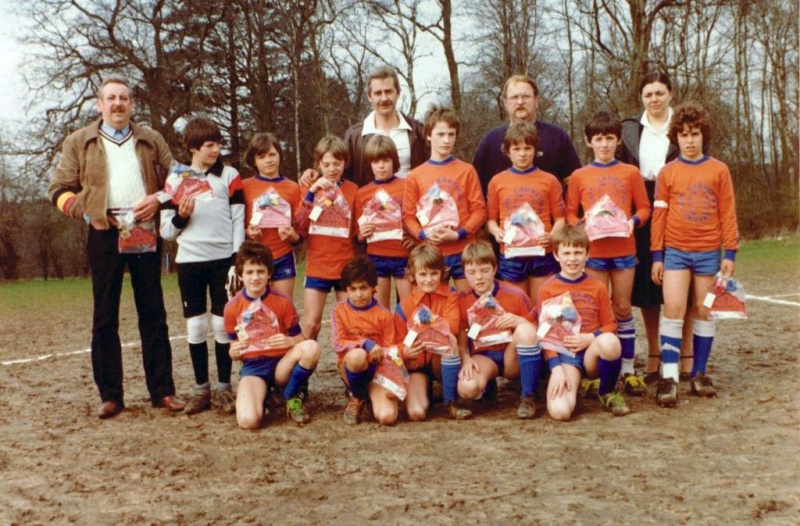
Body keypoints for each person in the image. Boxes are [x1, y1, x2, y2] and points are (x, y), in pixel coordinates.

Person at [49, 76, 185, 419]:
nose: (117, 104)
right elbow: (58, 189)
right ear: (99, 105)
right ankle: (111, 396)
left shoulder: (151, 139)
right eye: (110, 98)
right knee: (105, 315)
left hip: (144, 230)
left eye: (124, 98)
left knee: (153, 311)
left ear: (132, 105)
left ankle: (163, 391)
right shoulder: (78, 141)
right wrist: (87, 214)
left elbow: (179, 177)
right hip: (104, 232)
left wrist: (159, 199)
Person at [650, 102, 739, 408]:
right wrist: (657, 255)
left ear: (704, 136)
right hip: (675, 251)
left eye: (695, 134)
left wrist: (730, 251)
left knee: (703, 309)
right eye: (684, 135)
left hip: (709, 252)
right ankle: (669, 377)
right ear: (676, 138)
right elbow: (659, 217)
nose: (690, 140)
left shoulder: (719, 170)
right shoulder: (667, 172)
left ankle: (699, 374)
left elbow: (727, 212)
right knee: (674, 309)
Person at [160, 117, 245, 415]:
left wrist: (236, 259)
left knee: (222, 324)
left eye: (218, 144)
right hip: (190, 262)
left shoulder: (229, 175)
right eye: (209, 145)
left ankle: (223, 388)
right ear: (193, 147)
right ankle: (201, 390)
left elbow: (238, 220)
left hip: (223, 262)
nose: (216, 150)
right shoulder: (176, 178)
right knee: (196, 325)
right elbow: (166, 231)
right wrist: (181, 217)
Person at [565, 111, 651, 396]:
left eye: (610, 138)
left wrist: (633, 221)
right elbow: (570, 213)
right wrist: (582, 224)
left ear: (618, 140)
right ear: (589, 141)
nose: (604, 144)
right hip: (594, 253)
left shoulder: (630, 172)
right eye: (599, 139)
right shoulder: (579, 176)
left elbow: (644, 208)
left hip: (624, 250)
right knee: (595, 313)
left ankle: (627, 369)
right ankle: (598, 371)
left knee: (623, 308)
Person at [617, 71, 695, 380]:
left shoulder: (684, 127)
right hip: (642, 207)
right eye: (648, 94)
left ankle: (685, 354)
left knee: (682, 283)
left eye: (660, 93)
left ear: (670, 94)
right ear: (641, 97)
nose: (654, 99)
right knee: (648, 286)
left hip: (679, 203)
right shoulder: (629, 129)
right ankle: (653, 353)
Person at [538, 225, 631, 420]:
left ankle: (606, 391)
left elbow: (611, 325)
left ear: (587, 254)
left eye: (578, 252)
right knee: (561, 412)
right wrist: (556, 368)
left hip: (591, 353)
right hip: (566, 355)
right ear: (556, 255)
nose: (572, 259)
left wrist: (590, 337)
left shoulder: (598, 287)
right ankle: (572, 386)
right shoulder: (548, 288)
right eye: (566, 253)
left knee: (610, 342)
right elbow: (544, 334)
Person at [225, 241, 321, 428]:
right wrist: (233, 352)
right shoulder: (232, 308)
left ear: (269, 273)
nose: (255, 277)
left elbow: (301, 339)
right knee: (248, 421)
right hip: (254, 367)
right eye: (249, 272)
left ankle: (290, 395)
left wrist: (289, 341)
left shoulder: (282, 301)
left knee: (311, 348)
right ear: (240, 275)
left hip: (281, 365)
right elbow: (233, 349)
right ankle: (264, 396)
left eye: (260, 271)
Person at [402, 105, 487, 293]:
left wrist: (459, 234)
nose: (446, 140)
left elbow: (479, 211)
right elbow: (408, 217)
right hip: (432, 253)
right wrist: (424, 235)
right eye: (440, 134)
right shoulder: (415, 175)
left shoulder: (466, 170)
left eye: (451, 134)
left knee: (468, 302)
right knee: (434, 306)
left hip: (463, 250)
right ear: (428, 135)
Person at [299, 65, 428, 188]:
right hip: (369, 202)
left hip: (410, 201)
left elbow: (434, 167)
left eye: (388, 91)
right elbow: (338, 169)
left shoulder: (418, 131)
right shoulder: (355, 137)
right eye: (378, 93)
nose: (384, 98)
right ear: (370, 97)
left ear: (398, 93)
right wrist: (316, 174)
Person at [456, 241, 541, 419]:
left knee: (526, 331)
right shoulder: (462, 300)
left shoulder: (515, 294)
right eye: (472, 272)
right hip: (484, 356)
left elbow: (537, 331)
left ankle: (528, 395)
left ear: (494, 269)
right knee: (467, 388)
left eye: (484, 270)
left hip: (512, 355)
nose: (479, 277)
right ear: (464, 273)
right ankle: (487, 386)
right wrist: (465, 358)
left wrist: (519, 321)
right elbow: (462, 334)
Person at [485, 122, 565, 302]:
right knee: (517, 305)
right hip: (512, 254)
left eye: (527, 148)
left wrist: (552, 236)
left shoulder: (549, 180)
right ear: (507, 151)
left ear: (535, 150)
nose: (522, 153)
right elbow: (490, 220)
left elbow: (560, 219)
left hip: (542, 253)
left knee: (541, 304)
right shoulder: (497, 181)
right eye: (516, 148)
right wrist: (496, 232)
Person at [393, 244, 469, 420]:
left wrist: (425, 326)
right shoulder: (404, 306)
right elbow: (394, 346)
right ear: (412, 275)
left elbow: (452, 327)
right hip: (416, 365)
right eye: (423, 274)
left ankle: (451, 402)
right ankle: (425, 390)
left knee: (449, 339)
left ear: (442, 272)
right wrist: (405, 352)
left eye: (434, 273)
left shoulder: (451, 295)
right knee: (416, 413)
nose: (429, 279)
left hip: (440, 360)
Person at [295, 135, 359, 341]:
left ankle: (348, 361)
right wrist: (311, 192)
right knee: (311, 325)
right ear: (318, 164)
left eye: (337, 163)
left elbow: (357, 229)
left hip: (345, 265)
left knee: (349, 325)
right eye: (327, 164)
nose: (332, 169)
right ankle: (306, 359)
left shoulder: (353, 189)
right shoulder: (308, 188)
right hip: (318, 265)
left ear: (345, 163)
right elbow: (299, 224)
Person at [472, 74, 581, 195]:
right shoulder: (491, 140)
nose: (520, 102)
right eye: (514, 97)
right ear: (505, 103)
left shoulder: (557, 136)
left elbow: (574, 182)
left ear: (536, 100)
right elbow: (476, 186)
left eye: (525, 96)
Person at [331, 256, 398, 425]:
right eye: (352, 289)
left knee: (387, 417)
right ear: (346, 289)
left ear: (374, 287)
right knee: (357, 356)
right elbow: (338, 344)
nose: (358, 294)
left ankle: (368, 396)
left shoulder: (384, 314)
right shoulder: (339, 310)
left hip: (376, 371)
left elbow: (391, 351)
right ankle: (357, 397)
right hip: (351, 365)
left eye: (363, 288)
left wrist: (393, 381)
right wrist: (366, 344)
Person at [354, 135, 414, 308]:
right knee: (381, 311)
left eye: (386, 160)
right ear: (369, 163)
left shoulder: (407, 186)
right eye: (376, 161)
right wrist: (361, 234)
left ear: (394, 161)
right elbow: (358, 236)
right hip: (376, 256)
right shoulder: (362, 193)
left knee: (409, 309)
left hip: (403, 255)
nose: (381, 166)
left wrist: (415, 240)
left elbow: (416, 219)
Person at [241, 132, 302, 298]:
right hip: (253, 258)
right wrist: (247, 233)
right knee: (253, 309)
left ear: (280, 155)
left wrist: (293, 236)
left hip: (283, 256)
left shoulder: (293, 188)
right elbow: (235, 223)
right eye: (261, 157)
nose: (268, 160)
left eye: (272, 154)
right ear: (254, 160)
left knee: (282, 307)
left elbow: (299, 228)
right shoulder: (244, 186)